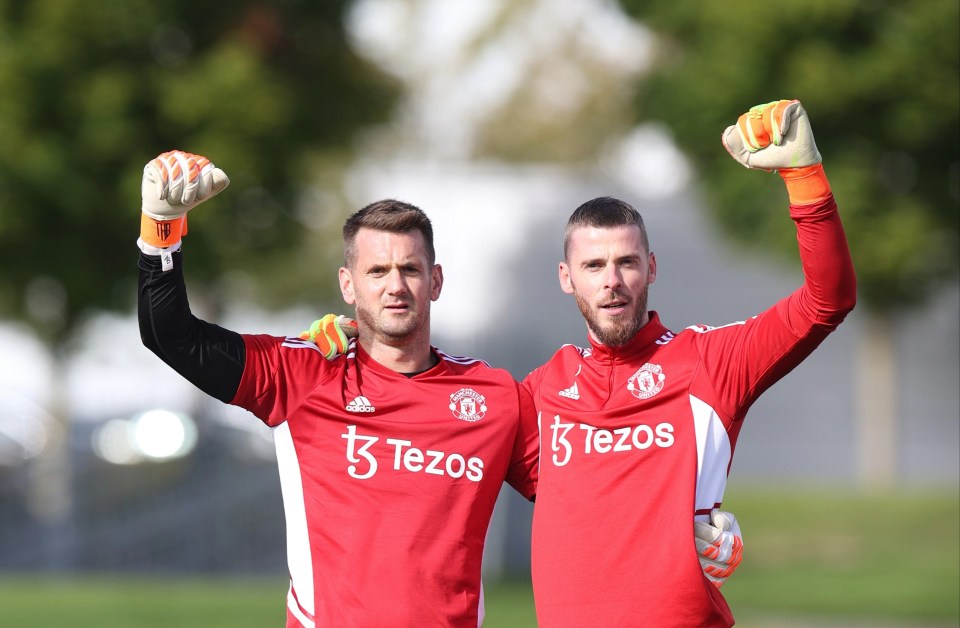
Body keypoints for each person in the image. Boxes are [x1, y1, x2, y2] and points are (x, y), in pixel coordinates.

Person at [304, 98, 855, 627]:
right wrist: (358, 349)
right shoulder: (539, 393)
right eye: (594, 265)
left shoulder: (711, 361)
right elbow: (428, 426)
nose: (612, 280)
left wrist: (804, 176)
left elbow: (827, 300)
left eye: (626, 262)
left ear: (652, 268)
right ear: (568, 278)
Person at [136, 151, 742, 623]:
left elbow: (590, 484)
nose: (394, 285)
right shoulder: (304, 375)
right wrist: (162, 229)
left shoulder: (495, 398)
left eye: (409, 269)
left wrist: (696, 530)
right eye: (377, 271)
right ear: (349, 284)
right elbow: (172, 336)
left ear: (436, 281)